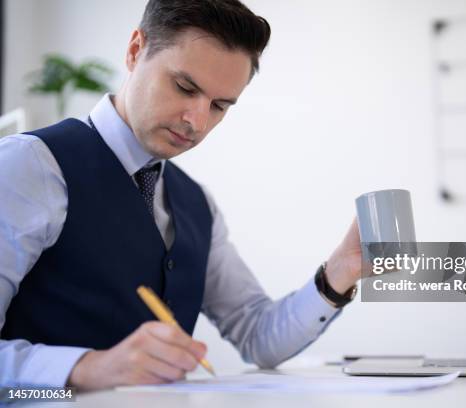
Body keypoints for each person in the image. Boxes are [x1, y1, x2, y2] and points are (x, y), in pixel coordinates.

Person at [0, 0, 362, 391]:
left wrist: (341, 270)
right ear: (136, 50)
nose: (198, 121)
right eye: (184, 87)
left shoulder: (196, 204)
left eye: (220, 106)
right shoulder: (29, 165)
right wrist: (85, 369)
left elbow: (258, 334)